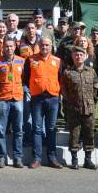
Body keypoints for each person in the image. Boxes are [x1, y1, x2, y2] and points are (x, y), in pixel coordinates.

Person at [23, 36, 63, 169]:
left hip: (53, 98)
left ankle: (52, 158)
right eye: (42, 45)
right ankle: (36, 158)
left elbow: (61, 79)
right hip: (37, 99)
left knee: (51, 129)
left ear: (51, 46)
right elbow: (26, 78)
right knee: (37, 129)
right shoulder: (31, 59)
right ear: (39, 46)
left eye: (47, 45)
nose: (44, 47)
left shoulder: (57, 61)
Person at [62, 44, 98, 170]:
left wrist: (92, 101)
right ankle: (74, 160)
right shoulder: (68, 72)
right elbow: (64, 91)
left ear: (85, 56)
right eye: (76, 55)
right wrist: (70, 104)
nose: (78, 57)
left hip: (89, 109)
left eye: (81, 55)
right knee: (74, 134)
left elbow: (95, 87)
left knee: (89, 134)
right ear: (72, 56)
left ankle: (88, 160)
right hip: (74, 109)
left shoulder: (91, 71)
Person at [0, 36, 25, 169]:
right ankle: (1, 157)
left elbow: (26, 79)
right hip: (2, 99)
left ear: (15, 47)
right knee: (1, 130)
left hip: (17, 98)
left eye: (11, 46)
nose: (9, 48)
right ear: (3, 48)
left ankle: (18, 157)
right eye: (6, 46)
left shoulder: (22, 61)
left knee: (18, 130)